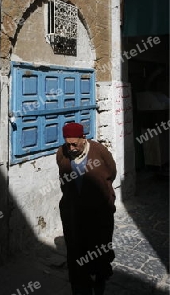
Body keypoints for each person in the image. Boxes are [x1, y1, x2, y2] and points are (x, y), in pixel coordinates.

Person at [56, 122, 117, 295]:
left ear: (84, 138)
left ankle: (100, 277)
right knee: (76, 248)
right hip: (73, 211)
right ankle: (80, 284)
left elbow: (111, 172)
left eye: (75, 143)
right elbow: (63, 176)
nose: (71, 147)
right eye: (68, 143)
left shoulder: (100, 151)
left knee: (100, 245)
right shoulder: (62, 153)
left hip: (99, 210)